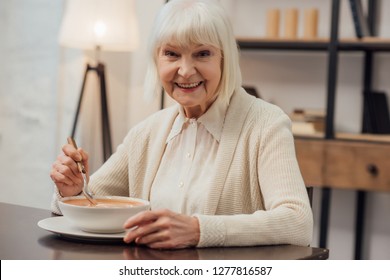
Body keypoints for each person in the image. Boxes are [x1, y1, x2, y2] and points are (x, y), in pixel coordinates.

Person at [50, 0, 313, 249]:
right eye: (172, 54)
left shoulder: (266, 123)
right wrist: (73, 191)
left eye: (202, 54)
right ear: (157, 60)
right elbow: (91, 201)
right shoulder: (146, 132)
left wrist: (199, 230)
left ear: (225, 59)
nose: (185, 70)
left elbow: (298, 222)